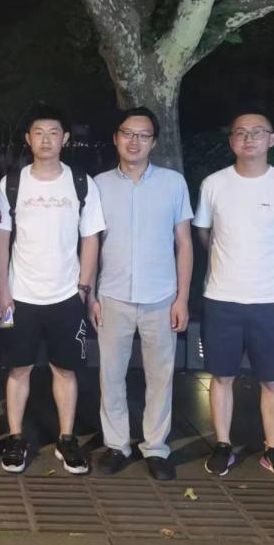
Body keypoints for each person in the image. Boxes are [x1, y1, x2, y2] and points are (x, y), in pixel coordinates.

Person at [193, 112, 274, 483]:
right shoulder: (214, 184)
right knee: (221, 376)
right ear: (231, 141)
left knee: (273, 379)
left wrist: (262, 261)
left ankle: (273, 450)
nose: (249, 138)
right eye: (241, 132)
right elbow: (204, 234)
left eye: (258, 132)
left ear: (272, 139)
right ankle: (222, 444)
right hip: (221, 299)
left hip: (272, 301)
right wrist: (231, 261)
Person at [0, 106, 105, 475]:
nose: (46, 139)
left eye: (53, 132)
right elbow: (0, 240)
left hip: (66, 295)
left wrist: (83, 289)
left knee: (66, 370)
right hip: (18, 296)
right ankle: (15, 438)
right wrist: (1, 290)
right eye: (38, 132)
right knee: (18, 369)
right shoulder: (11, 183)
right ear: (28, 139)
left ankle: (67, 438)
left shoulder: (81, 183)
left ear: (65, 138)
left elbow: (91, 238)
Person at [92, 108, 193, 481]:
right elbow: (91, 243)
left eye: (143, 135)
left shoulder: (173, 183)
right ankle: (116, 444)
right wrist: (91, 294)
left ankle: (156, 447)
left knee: (160, 376)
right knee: (111, 375)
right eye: (127, 133)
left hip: (161, 296)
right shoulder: (99, 184)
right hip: (113, 294)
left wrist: (182, 298)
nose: (134, 142)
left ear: (154, 142)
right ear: (116, 138)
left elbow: (185, 243)